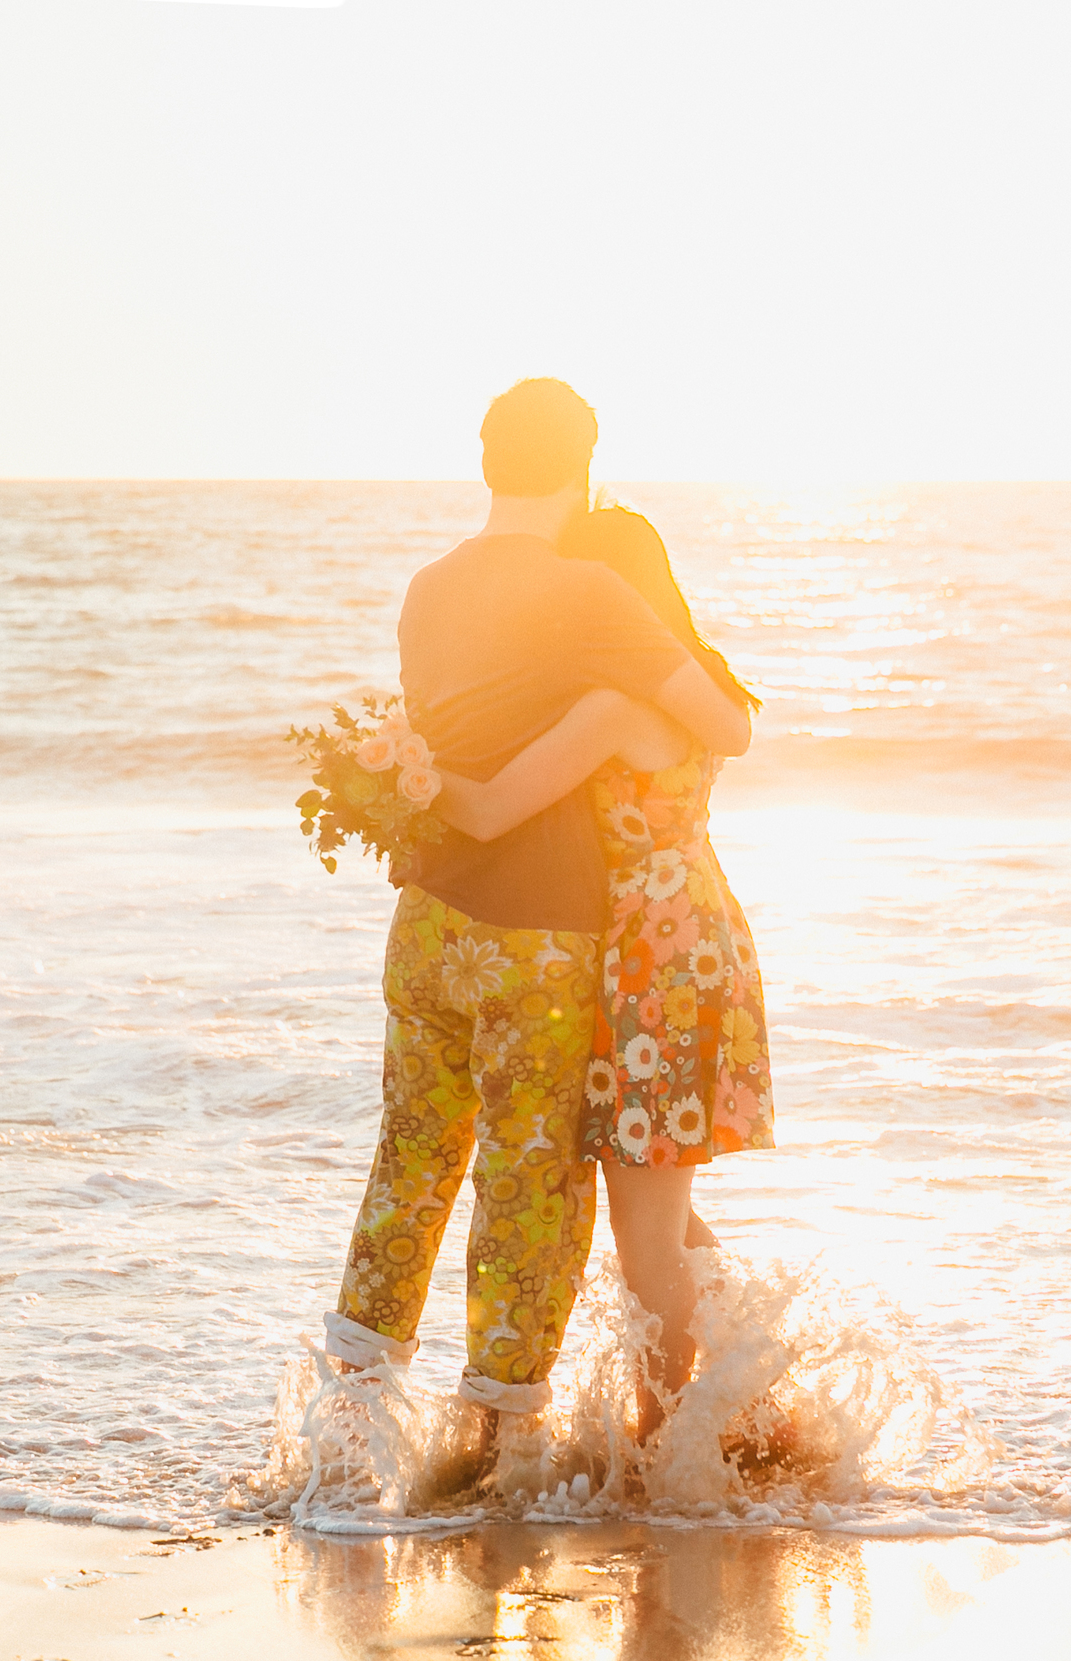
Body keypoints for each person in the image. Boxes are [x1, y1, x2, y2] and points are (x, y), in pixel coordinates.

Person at [322, 382, 753, 1469]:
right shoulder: (589, 591)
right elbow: (722, 727)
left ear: (483, 462)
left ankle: (346, 1427)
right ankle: (492, 1444)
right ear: (586, 462)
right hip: (538, 936)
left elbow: (441, 742)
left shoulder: (425, 590)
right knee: (531, 1185)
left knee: (408, 1160)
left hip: (423, 924)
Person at [430, 504, 773, 1439]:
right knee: (668, 1213)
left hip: (649, 962)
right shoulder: (697, 690)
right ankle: (755, 1404)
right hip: (694, 942)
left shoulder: (615, 709)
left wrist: (405, 773)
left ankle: (666, 1443)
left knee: (647, 1237)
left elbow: (497, 807)